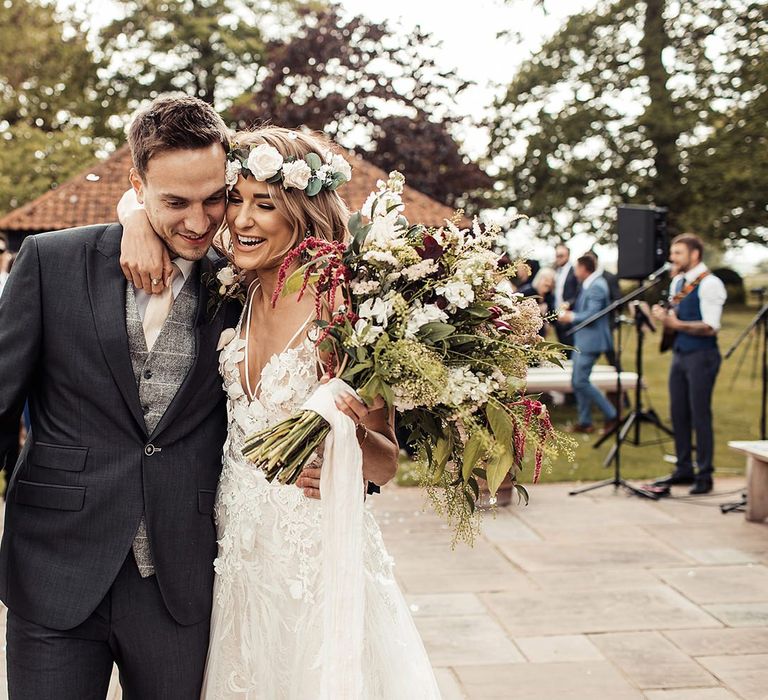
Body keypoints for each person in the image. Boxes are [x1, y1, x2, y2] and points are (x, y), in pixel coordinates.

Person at [0, 95, 389, 699]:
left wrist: (349, 465)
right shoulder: (51, 262)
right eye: (174, 203)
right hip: (53, 567)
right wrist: (133, 219)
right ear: (137, 184)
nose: (201, 222)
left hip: (185, 581)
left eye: (214, 199)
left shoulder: (243, 281)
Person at [120, 126, 441, 697]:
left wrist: (340, 439)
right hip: (236, 549)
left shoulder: (345, 311)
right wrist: (135, 221)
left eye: (263, 204)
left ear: (301, 210)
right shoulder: (233, 292)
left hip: (313, 550)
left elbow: (386, 462)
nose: (240, 220)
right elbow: (154, 195)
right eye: (235, 200)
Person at [652, 233, 726, 495]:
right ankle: (683, 469)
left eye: (678, 253)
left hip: (702, 356)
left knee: (699, 414)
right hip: (680, 354)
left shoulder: (710, 284)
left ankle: (704, 474)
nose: (672, 258)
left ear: (694, 255)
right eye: (672, 253)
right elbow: (674, 322)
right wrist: (662, 317)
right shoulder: (678, 283)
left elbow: (710, 326)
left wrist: (676, 324)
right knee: (679, 413)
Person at [559, 254, 618, 434]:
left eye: (577, 268)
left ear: (584, 268)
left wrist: (571, 317)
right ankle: (585, 422)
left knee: (581, 381)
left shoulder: (597, 286)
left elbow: (593, 314)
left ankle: (613, 415)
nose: (575, 272)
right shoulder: (589, 284)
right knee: (577, 382)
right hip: (583, 340)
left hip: (592, 341)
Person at [553, 243, 579, 355]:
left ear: (568, 256)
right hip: (557, 313)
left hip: (569, 312)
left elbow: (578, 292)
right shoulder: (556, 271)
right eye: (557, 255)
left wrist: (569, 303)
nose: (558, 258)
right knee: (561, 346)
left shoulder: (574, 272)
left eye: (561, 255)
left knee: (569, 346)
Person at [519, 267, 556, 337]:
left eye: (551, 281)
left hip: (540, 334)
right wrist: (536, 309)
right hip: (524, 331)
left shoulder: (549, 297)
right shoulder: (527, 292)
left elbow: (553, 318)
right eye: (546, 280)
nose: (548, 283)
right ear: (539, 279)